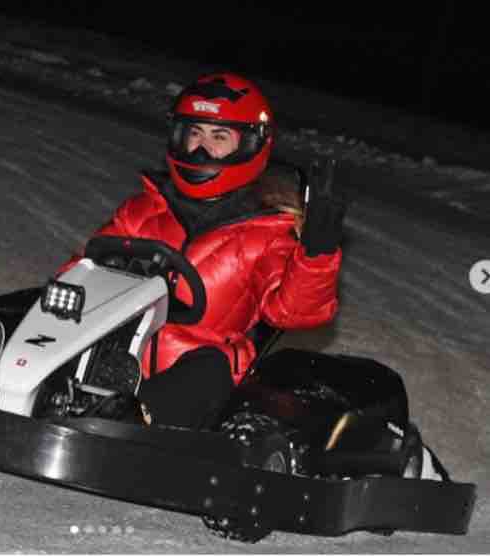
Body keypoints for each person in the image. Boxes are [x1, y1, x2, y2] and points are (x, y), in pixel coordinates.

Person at [58, 72, 347, 429]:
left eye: (219, 137)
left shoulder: (268, 234)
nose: (200, 149)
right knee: (54, 303)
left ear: (250, 146)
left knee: (212, 365)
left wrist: (317, 252)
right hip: (119, 348)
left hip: (201, 372)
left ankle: (136, 419)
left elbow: (293, 313)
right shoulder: (144, 210)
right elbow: (81, 271)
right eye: (193, 134)